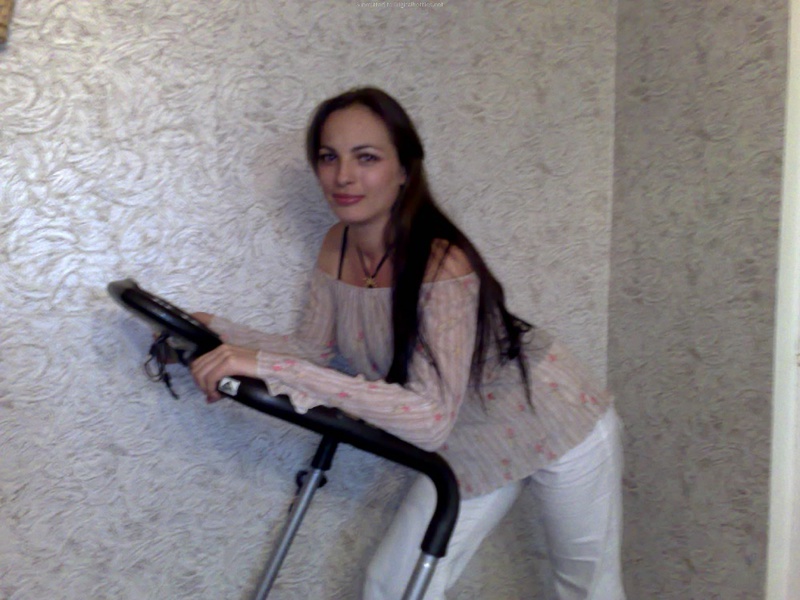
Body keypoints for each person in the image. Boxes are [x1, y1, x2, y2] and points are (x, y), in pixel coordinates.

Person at [189, 87, 626, 600]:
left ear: (404, 170)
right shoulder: (337, 245)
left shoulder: (442, 263)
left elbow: (428, 418)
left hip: (554, 420)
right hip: (469, 443)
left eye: (366, 158)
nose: (343, 176)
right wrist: (211, 330)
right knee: (392, 586)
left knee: (587, 590)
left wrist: (267, 366)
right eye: (329, 157)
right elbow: (313, 351)